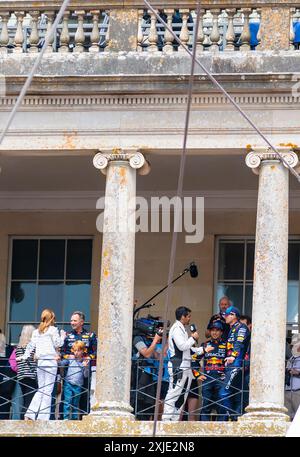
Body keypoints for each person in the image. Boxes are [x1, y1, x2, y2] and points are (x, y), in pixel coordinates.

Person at [162, 306, 214, 421]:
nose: (190, 319)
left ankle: (174, 420)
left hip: (186, 367)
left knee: (182, 395)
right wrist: (193, 338)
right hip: (178, 366)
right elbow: (182, 346)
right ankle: (166, 420)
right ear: (183, 316)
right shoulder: (176, 329)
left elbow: (188, 350)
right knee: (174, 393)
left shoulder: (182, 329)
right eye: (188, 316)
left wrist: (203, 350)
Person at [17, 309, 66, 420]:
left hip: (40, 362)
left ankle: (30, 414)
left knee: (41, 389)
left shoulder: (36, 332)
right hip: (50, 362)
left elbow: (30, 346)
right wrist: (62, 336)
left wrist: (24, 356)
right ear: (51, 319)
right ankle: (42, 417)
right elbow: (58, 343)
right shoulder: (53, 330)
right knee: (47, 390)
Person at [60, 311, 97, 416]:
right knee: (66, 397)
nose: (72, 322)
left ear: (82, 322)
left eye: (74, 320)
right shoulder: (67, 336)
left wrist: (89, 357)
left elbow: (96, 351)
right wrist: (69, 356)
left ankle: (83, 417)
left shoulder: (90, 335)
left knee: (84, 395)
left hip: (84, 371)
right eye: (71, 320)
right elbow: (62, 352)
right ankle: (65, 418)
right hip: (69, 373)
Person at [219, 306, 250, 421]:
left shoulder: (241, 327)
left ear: (233, 316)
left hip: (236, 365)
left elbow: (239, 343)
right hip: (230, 366)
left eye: (227, 315)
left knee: (223, 393)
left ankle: (232, 416)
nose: (225, 317)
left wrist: (233, 356)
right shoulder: (231, 329)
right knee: (236, 395)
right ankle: (236, 418)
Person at [131, 319, 164, 420]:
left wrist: (159, 341)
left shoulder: (150, 339)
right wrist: (154, 341)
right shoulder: (138, 338)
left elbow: (158, 356)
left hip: (152, 376)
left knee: (150, 405)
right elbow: (146, 354)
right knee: (140, 402)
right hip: (140, 374)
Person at [199, 320, 226, 421]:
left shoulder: (226, 345)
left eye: (217, 330)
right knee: (206, 407)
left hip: (221, 380)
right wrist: (197, 375)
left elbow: (232, 362)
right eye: (212, 330)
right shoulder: (204, 345)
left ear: (221, 332)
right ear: (209, 332)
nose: (214, 332)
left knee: (221, 407)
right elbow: (193, 359)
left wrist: (227, 376)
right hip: (207, 380)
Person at [60, 340, 89, 420]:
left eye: (78, 351)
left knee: (75, 403)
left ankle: (74, 419)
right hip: (68, 383)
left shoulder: (85, 361)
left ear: (83, 351)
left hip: (78, 385)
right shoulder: (70, 358)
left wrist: (85, 367)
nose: (76, 353)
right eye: (75, 350)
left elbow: (86, 375)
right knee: (67, 402)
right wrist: (62, 374)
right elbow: (62, 364)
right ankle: (66, 418)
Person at [15, 325, 37, 420]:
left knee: (25, 398)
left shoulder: (18, 348)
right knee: (30, 399)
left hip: (21, 376)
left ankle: (23, 417)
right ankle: (26, 419)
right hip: (31, 375)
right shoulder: (32, 348)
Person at [0, 330, 15, 419]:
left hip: (6, 380)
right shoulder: (9, 349)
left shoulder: (9, 349)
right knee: (5, 404)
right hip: (7, 380)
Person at [285, 334, 300, 420]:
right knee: (287, 417)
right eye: (293, 345)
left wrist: (297, 372)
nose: (293, 347)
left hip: (297, 391)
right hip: (288, 389)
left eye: (296, 344)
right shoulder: (291, 358)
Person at [239, 315, 252, 413]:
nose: (241, 329)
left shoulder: (254, 339)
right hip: (239, 371)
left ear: (250, 326)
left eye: (243, 326)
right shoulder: (239, 339)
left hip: (250, 373)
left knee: (247, 399)